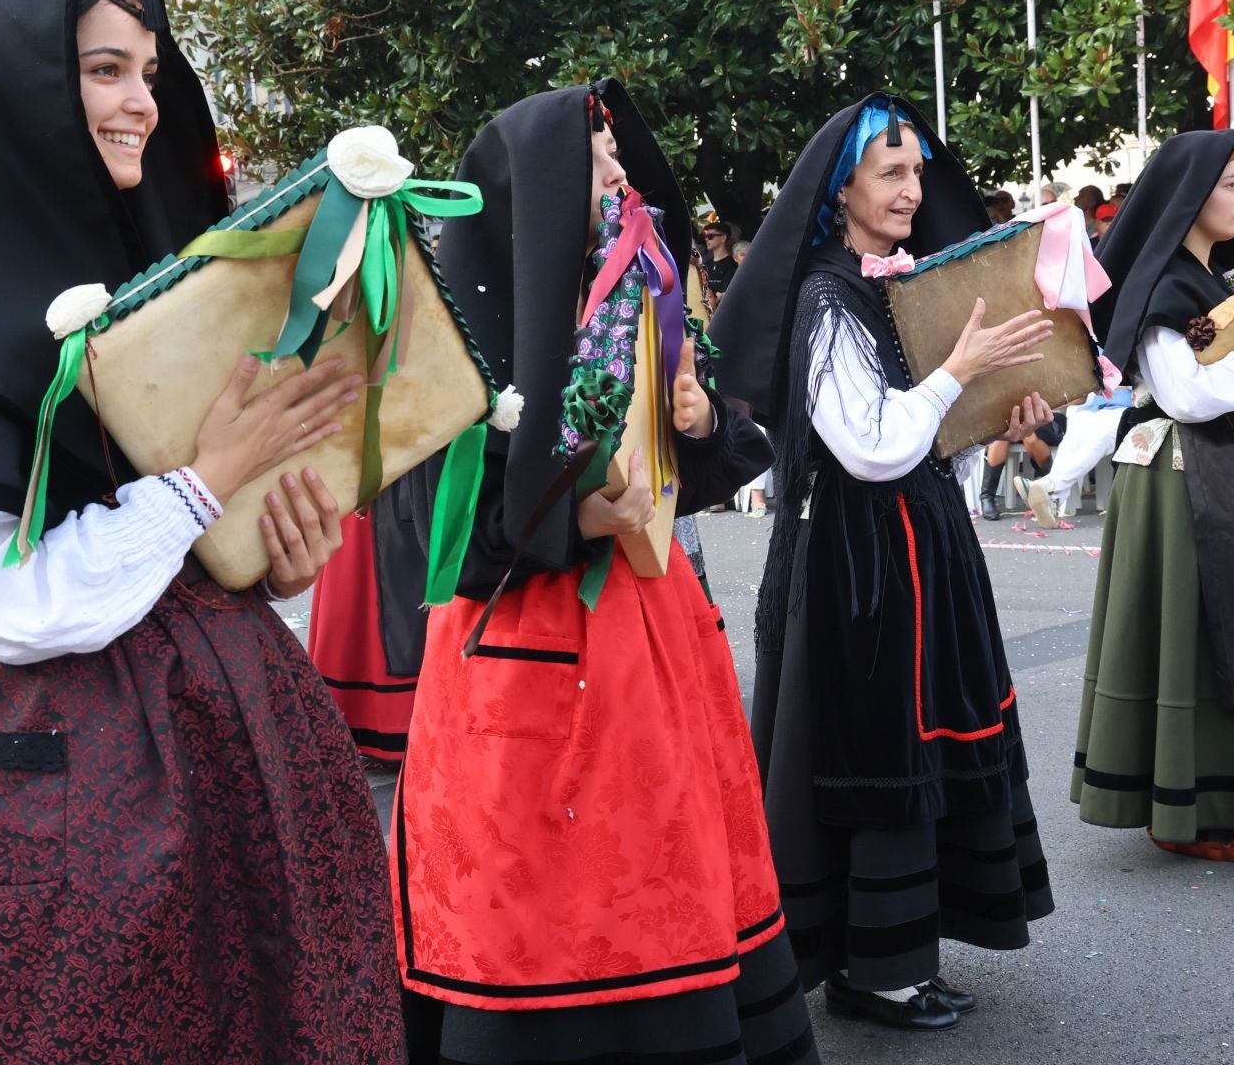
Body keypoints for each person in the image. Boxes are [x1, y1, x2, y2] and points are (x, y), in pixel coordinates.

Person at [0, 0, 406, 1061]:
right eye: (105, 70)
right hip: (49, 785)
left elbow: (191, 532)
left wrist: (270, 555)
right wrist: (206, 483)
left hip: (233, 742)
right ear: (17, 92)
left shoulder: (162, 278)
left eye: (150, 74)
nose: (140, 104)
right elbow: (14, 606)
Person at [393, 79, 815, 1065]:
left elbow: (690, 469)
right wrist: (570, 520)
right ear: (538, 186)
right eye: (599, 158)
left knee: (661, 863)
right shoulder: (452, 328)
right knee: (535, 890)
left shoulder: (633, 297)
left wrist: (697, 423)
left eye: (619, 155)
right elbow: (435, 532)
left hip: (651, 638)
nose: (623, 175)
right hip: (517, 667)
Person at [713, 93, 1056, 1031]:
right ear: (842, 188)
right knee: (880, 753)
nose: (911, 191)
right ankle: (875, 972)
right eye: (890, 173)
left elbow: (922, 437)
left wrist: (995, 412)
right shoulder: (827, 299)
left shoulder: (892, 288)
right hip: (860, 565)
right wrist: (959, 372)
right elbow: (867, 447)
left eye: (917, 174)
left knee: (924, 744)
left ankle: (902, 957)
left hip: (917, 545)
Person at [1073, 130, 1234, 862]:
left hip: (1228, 473)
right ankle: (1182, 807)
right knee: (1192, 639)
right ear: (1191, 195)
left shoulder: (1216, 282)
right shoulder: (1165, 284)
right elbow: (1184, 397)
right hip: (1178, 482)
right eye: (1233, 185)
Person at [305, 489, 428, 762]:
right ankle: (373, 719)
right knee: (358, 588)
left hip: (396, 487)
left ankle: (400, 721)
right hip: (360, 493)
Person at [698, 211, 740, 300]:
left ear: (723, 238)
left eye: (710, 236)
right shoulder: (706, 265)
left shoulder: (733, 263)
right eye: (705, 236)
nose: (706, 239)